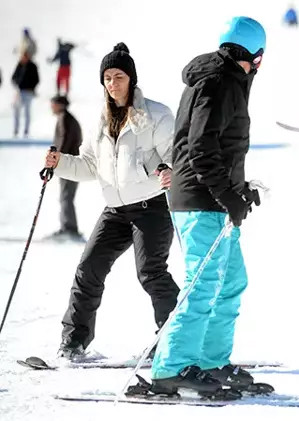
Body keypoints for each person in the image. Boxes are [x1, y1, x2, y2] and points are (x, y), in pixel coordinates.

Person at [149, 16, 270, 397]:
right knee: (202, 285)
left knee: (231, 281)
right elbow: (200, 149)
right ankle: (171, 368)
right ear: (256, 55)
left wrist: (239, 189)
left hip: (212, 198)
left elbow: (217, 145)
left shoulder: (224, 80)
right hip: (201, 201)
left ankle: (210, 362)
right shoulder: (220, 82)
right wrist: (227, 195)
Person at [43, 43, 180, 360]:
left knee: (151, 273)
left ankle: (175, 341)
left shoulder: (156, 115)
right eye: (107, 77)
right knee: (88, 270)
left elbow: (178, 157)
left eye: (119, 76)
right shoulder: (100, 120)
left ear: (131, 79)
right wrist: (60, 162)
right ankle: (73, 343)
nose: (113, 83)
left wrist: (169, 170)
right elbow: (91, 166)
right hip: (115, 211)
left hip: (151, 207)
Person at [49, 95, 84, 240]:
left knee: (66, 196)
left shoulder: (65, 118)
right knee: (66, 196)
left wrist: (56, 159)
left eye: (53, 104)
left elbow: (64, 140)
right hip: (69, 163)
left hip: (68, 164)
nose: (51, 107)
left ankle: (69, 228)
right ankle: (67, 226)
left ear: (60, 105)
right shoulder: (66, 117)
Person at [11, 52, 39, 138]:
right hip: (20, 92)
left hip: (28, 92)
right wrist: (17, 83)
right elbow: (13, 77)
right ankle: (16, 130)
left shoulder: (32, 66)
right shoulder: (19, 65)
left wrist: (31, 87)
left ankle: (26, 131)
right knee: (16, 111)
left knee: (27, 112)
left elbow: (36, 79)